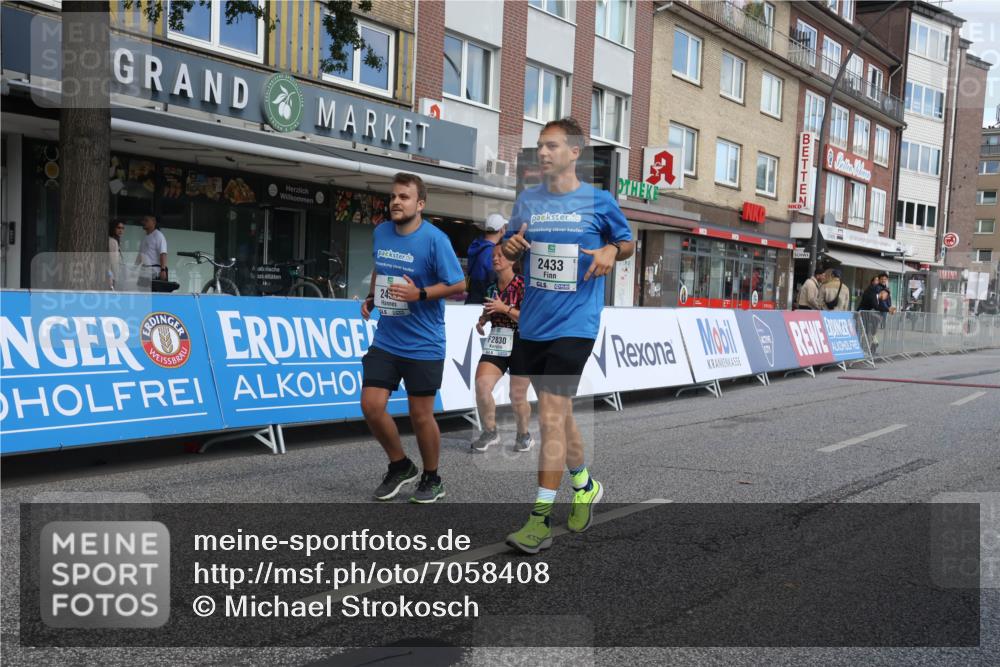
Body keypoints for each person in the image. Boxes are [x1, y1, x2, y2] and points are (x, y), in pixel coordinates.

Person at [500, 117, 634, 554]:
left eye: (552, 146)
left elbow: (627, 242)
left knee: (551, 416)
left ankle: (539, 519)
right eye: (540, 146)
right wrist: (510, 248)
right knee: (559, 412)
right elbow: (507, 246)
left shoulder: (598, 201)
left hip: (576, 324)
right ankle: (585, 486)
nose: (543, 153)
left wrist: (613, 249)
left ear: (575, 152)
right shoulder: (528, 201)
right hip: (533, 323)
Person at [360, 172, 466, 504]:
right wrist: (373, 297)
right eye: (393, 196)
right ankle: (400, 465)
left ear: (420, 204)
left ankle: (432, 478)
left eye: (404, 197)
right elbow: (381, 267)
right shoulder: (381, 232)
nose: (395, 202)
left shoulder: (436, 240)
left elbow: (459, 285)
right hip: (387, 338)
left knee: (421, 415)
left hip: (424, 342)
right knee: (371, 405)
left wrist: (418, 293)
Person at [470, 246, 533, 453]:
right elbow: (489, 311)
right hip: (497, 339)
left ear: (513, 260)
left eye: (500, 256)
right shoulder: (491, 288)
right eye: (493, 256)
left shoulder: (524, 285)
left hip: (522, 341)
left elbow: (530, 319)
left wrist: (504, 308)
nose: (495, 259)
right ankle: (490, 431)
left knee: (517, 395)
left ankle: (524, 435)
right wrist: (483, 320)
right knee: (481, 385)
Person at [465, 213, 507, 305]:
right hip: (482, 304)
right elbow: (494, 279)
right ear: (502, 229)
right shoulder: (491, 252)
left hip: (471, 299)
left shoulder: (477, 245)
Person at [135, 215, 167, 288]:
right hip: (144, 271)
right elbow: (140, 256)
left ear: (154, 222)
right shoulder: (145, 237)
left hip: (154, 271)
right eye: (143, 220)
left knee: (152, 293)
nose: (143, 222)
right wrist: (134, 269)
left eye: (146, 220)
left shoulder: (158, 235)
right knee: (143, 293)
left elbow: (163, 253)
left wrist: (163, 270)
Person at [108, 219, 125, 290]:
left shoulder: (116, 241)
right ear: (113, 228)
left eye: (122, 228)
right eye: (118, 228)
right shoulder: (112, 241)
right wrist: (112, 277)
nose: (121, 230)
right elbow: (112, 262)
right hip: (111, 276)